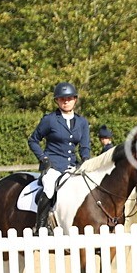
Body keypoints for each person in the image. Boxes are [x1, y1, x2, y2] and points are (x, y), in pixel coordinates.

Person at [28, 81, 91, 231]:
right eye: (62, 99)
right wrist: (43, 158)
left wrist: (86, 161)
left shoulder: (82, 122)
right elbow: (33, 140)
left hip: (72, 165)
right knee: (49, 188)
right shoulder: (50, 119)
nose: (66, 101)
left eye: (69, 98)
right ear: (57, 101)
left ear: (75, 99)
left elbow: (85, 146)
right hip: (54, 165)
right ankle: (41, 226)